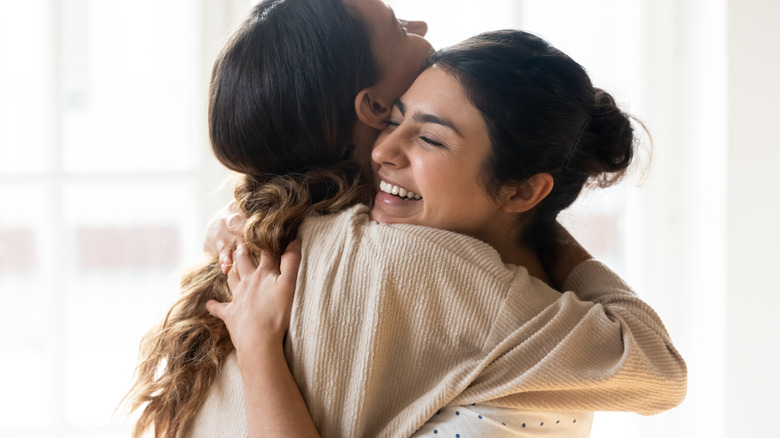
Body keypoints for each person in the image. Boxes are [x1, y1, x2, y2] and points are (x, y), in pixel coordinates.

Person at [124, 1, 686, 437]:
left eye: (430, 135)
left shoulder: (268, 232)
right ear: (370, 109)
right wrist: (543, 224)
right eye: (396, 26)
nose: (418, 24)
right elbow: (657, 371)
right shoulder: (418, 264)